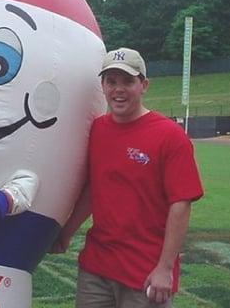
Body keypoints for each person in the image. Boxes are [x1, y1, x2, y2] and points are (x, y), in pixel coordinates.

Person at [52, 47, 204, 307]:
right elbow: (93, 191)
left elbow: (181, 204)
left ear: (144, 85)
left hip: (145, 274)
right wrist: (66, 233)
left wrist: (165, 268)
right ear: (102, 86)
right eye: (111, 81)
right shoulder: (98, 130)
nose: (118, 89)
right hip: (97, 267)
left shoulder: (170, 136)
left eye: (128, 81)